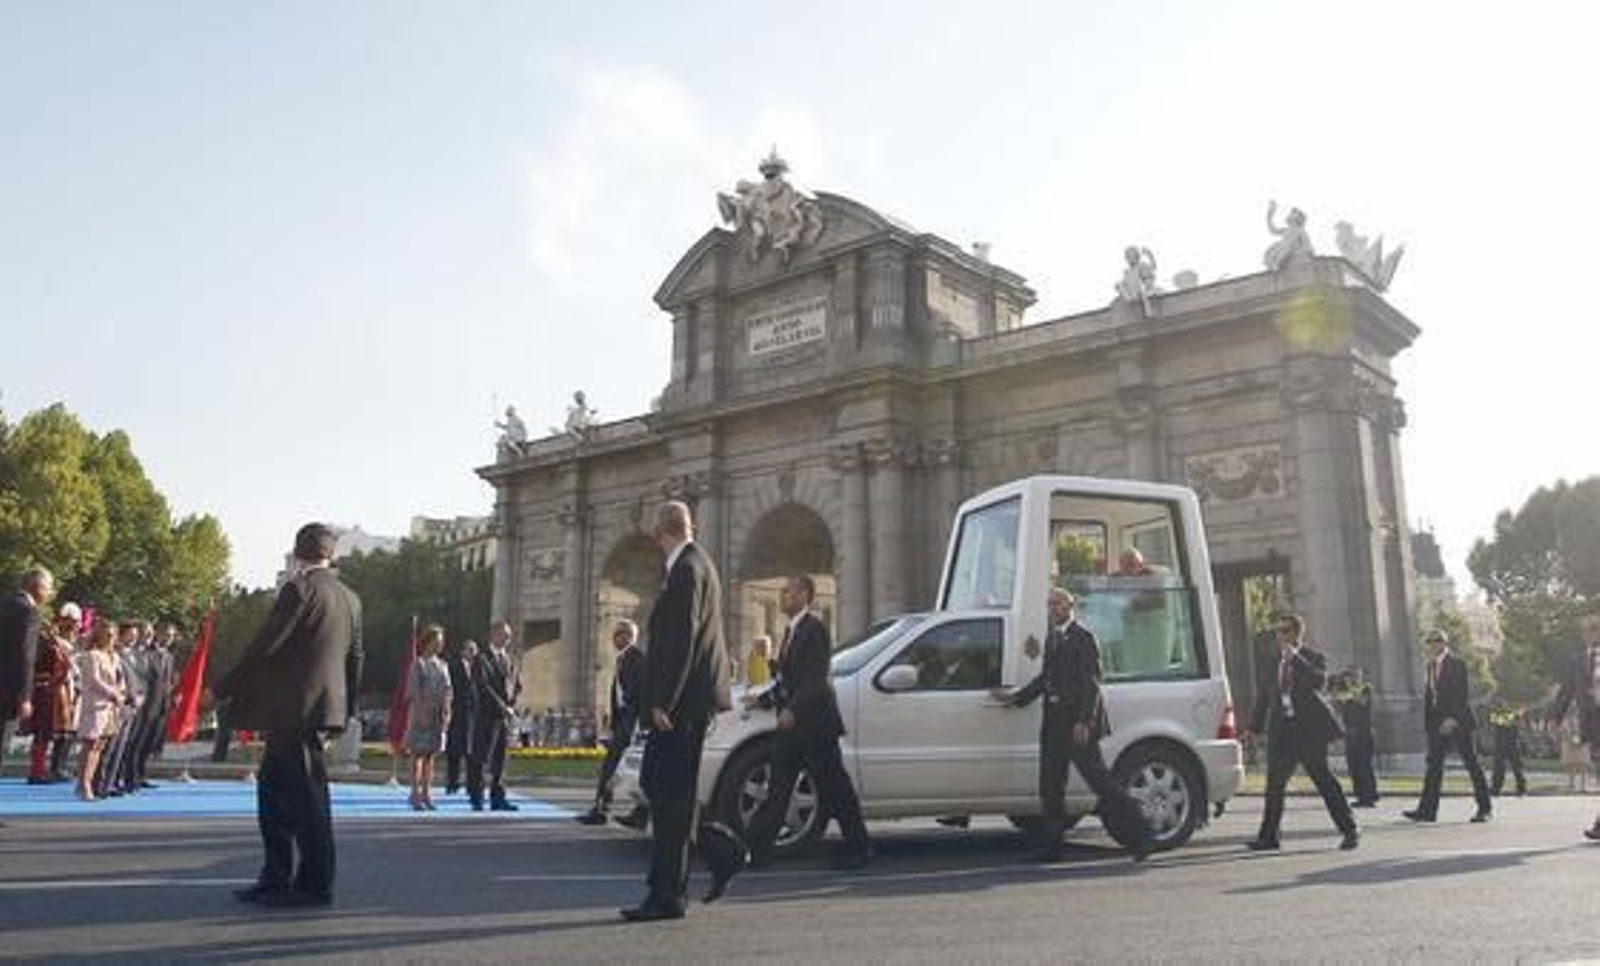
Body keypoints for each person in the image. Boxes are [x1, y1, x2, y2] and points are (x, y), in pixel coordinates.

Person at [214, 523, 364, 908]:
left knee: (303, 801)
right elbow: (355, 659)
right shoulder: (350, 598)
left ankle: (312, 884)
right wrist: (346, 709)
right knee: (275, 794)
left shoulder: (298, 589)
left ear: (298, 553)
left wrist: (221, 688)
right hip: (322, 709)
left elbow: (265, 645)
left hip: (292, 710)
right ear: (332, 555)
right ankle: (276, 876)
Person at [621, 500, 743, 923]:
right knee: (669, 791)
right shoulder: (699, 563)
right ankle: (708, 860)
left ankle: (669, 892)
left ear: (660, 533)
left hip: (679, 705)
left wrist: (662, 701)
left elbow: (680, 639)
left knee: (667, 792)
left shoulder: (687, 569)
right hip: (688, 702)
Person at [993, 588, 1155, 861]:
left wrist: (1084, 721)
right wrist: (1015, 699)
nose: (1052, 608)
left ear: (1070, 606)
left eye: (1057, 604)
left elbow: (1091, 685)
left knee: (1101, 783)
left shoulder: (1083, 638)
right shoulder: (1053, 637)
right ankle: (1051, 847)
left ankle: (1143, 834)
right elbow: (1046, 679)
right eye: (1049, 604)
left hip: (1077, 724)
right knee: (1051, 785)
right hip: (1054, 722)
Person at [745, 574, 872, 874]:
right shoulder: (790, 631)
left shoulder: (814, 629)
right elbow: (788, 680)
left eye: (787, 591)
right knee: (778, 787)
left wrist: (792, 709)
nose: (782, 596)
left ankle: (860, 846)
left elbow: (815, 678)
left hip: (816, 724)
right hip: (793, 727)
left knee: (835, 788)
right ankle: (758, 852)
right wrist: (763, 701)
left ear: (804, 595)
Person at [1244, 613, 1359, 852]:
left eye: (1285, 630)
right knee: (1274, 785)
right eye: (1277, 631)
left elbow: (1318, 682)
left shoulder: (1312, 658)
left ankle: (1350, 830)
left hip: (1307, 731)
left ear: (1297, 633)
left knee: (1324, 780)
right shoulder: (1271, 660)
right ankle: (1269, 837)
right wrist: (1253, 729)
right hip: (1281, 731)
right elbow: (1264, 697)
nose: (1280, 636)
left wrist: (1295, 658)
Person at [1404, 628, 1493, 824]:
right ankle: (1427, 811)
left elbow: (1461, 695)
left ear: (1445, 643)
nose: (1434, 644)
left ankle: (1484, 808)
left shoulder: (1457, 664)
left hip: (1458, 722)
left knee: (1472, 764)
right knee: (1433, 767)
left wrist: (1452, 719)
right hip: (1437, 724)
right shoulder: (1430, 666)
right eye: (1430, 641)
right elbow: (1431, 699)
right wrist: (1430, 726)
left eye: (1438, 640)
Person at [579, 620, 644, 825]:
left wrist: (629, 713)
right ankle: (604, 808)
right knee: (615, 764)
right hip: (624, 719)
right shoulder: (622, 659)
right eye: (614, 634)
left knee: (618, 764)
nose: (614, 638)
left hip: (632, 719)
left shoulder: (637, 658)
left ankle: (605, 809)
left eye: (618, 634)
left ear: (629, 636)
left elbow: (636, 690)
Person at [1548, 611, 1600, 839]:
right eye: (1588, 630)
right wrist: (1554, 718)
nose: (1592, 634)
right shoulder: (1577, 660)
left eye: (1596, 628)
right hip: (1593, 723)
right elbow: (1566, 691)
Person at [1, 567, 54, 775]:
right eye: (49, 588)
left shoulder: (4, 602)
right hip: (6, 693)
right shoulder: (28, 612)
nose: (50, 594)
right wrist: (24, 697)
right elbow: (25, 656)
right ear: (38, 587)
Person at [467, 621, 520, 812]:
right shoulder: (481, 659)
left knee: (501, 759)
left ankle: (498, 798)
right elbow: (483, 686)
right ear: (493, 635)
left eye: (509, 636)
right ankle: (477, 797)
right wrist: (501, 706)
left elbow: (516, 685)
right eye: (504, 635)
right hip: (487, 716)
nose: (508, 639)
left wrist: (512, 704)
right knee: (482, 758)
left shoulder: (511, 659)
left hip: (505, 717)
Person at [26, 604, 80, 784]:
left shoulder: (61, 643)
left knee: (56, 731)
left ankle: (52, 769)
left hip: (60, 689)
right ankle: (37, 772)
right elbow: (38, 665)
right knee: (42, 731)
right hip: (45, 689)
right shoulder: (45, 642)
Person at [74, 619, 125, 801]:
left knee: (99, 746)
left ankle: (87, 781)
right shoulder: (91, 655)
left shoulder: (115, 656)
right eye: (106, 634)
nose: (110, 638)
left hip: (111, 707)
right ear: (98, 635)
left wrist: (121, 693)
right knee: (89, 745)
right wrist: (113, 694)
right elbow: (93, 680)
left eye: (112, 635)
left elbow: (120, 678)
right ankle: (83, 784)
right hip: (95, 706)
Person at [403, 625, 452, 812]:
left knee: (431, 756)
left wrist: (447, 711)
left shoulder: (443, 665)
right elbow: (413, 691)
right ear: (428, 641)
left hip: (437, 715)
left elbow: (448, 691)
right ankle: (414, 794)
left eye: (441, 641)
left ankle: (426, 793)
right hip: (420, 713)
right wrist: (421, 712)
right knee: (417, 754)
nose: (440, 645)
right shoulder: (418, 663)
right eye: (437, 641)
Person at [1333, 666, 1380, 807]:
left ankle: (1369, 796)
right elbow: (1337, 701)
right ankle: (1361, 795)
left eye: (1354, 675)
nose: (1352, 678)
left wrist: (1348, 687)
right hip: (1350, 734)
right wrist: (1339, 689)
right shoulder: (1344, 692)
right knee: (1353, 766)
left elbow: (1362, 701)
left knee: (1364, 766)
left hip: (1364, 733)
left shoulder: (1367, 688)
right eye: (1349, 675)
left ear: (1360, 676)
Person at [443, 638, 478, 795]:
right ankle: (452, 783)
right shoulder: (453, 667)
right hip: (457, 715)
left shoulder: (479, 669)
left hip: (474, 716)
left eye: (474, 650)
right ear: (463, 651)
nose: (472, 653)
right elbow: (450, 689)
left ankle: (472, 784)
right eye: (469, 650)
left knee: (473, 753)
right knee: (454, 752)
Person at [1487, 701, 1527, 798]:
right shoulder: (1495, 714)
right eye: (1500, 705)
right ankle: (1495, 789)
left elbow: (1521, 726)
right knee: (1498, 769)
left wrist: (1519, 716)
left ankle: (1521, 789)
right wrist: (1516, 714)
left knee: (1517, 768)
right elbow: (1500, 721)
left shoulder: (1514, 714)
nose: (1503, 706)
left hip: (1512, 744)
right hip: (1500, 745)